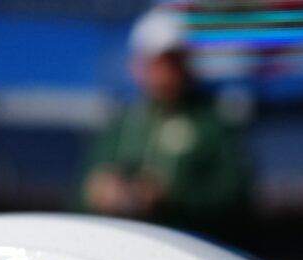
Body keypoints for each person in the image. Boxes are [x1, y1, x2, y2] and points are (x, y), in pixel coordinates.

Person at [78, 9, 252, 238]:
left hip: (189, 249)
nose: (166, 73)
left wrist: (170, 195)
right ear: (138, 66)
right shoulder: (122, 126)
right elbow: (79, 196)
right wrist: (95, 194)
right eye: (158, 63)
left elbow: (236, 197)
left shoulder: (211, 124)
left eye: (173, 62)